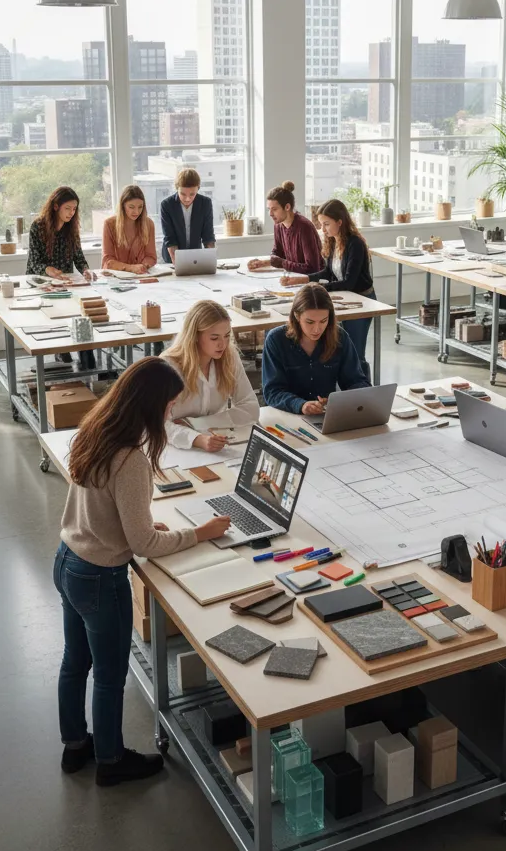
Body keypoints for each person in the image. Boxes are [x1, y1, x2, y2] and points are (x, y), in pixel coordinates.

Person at [54, 357, 230, 786]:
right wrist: (199, 533)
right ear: (150, 405)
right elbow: (143, 546)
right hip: (100, 577)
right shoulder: (130, 457)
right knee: (111, 677)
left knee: (75, 662)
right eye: (169, 405)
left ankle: (75, 745)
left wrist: (144, 523)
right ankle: (111, 762)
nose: (171, 413)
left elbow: (107, 509)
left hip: (67, 559)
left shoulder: (96, 427)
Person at [280, 198, 376, 372]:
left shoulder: (355, 244)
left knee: (355, 352)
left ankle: (362, 388)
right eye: (321, 224)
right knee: (339, 349)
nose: (322, 229)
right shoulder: (333, 241)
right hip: (344, 299)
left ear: (340, 222)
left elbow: (348, 282)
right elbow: (328, 273)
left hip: (361, 301)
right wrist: (302, 280)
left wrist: (317, 289)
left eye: (326, 224)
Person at [160, 300, 260, 451]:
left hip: (215, 440)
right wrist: (197, 439)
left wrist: (197, 424)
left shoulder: (229, 357)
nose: (223, 344)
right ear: (194, 336)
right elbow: (157, 425)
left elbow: (251, 408)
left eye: (226, 336)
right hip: (173, 446)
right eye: (214, 338)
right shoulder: (169, 366)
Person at [261, 283, 369, 415]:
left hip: (324, 415)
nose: (317, 329)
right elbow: (272, 391)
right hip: (286, 416)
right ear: (296, 315)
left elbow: (356, 381)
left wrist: (340, 400)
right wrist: (301, 405)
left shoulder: (340, 337)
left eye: (323, 321)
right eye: (310, 322)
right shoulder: (276, 339)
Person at [247, 181, 323, 275]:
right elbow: (278, 253)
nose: (270, 214)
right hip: (293, 277)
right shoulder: (278, 225)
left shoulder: (304, 227)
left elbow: (313, 268)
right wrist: (264, 262)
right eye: (269, 209)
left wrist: (282, 263)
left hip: (311, 282)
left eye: (274, 209)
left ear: (287, 207)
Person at [25, 186, 96, 282]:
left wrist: (86, 270)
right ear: (56, 206)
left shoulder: (72, 229)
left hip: (63, 282)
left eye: (74, 209)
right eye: (67, 208)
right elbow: (34, 262)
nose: (71, 213)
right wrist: (48, 270)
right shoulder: (38, 227)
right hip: (39, 282)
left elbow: (79, 259)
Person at [159, 168, 214, 264]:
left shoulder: (205, 203)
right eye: (183, 194)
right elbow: (170, 238)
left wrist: (211, 262)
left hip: (196, 257)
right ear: (177, 188)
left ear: (198, 188)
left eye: (192, 194)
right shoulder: (167, 205)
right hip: (171, 258)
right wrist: (177, 263)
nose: (187, 199)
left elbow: (208, 236)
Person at [102, 185, 157, 274]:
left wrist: (142, 266)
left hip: (140, 276)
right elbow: (108, 261)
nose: (136, 212)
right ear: (123, 205)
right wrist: (131, 268)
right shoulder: (109, 224)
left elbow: (151, 257)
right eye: (131, 207)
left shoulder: (149, 224)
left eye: (140, 207)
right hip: (116, 276)